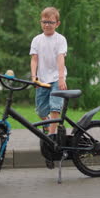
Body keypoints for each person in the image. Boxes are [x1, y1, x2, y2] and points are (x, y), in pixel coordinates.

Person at [30, 7, 67, 136]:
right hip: (42, 79)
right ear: (41, 22)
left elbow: (60, 58)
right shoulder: (36, 40)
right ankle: (48, 124)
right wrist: (34, 76)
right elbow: (34, 59)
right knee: (41, 110)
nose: (47, 25)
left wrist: (61, 78)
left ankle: (52, 136)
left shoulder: (60, 39)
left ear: (57, 24)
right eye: (44, 22)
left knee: (55, 107)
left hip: (57, 78)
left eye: (50, 22)